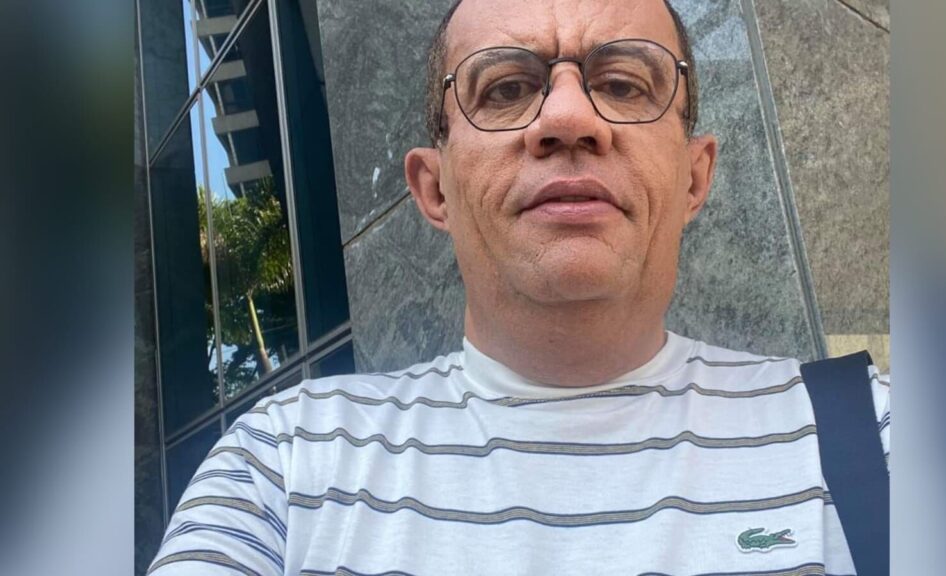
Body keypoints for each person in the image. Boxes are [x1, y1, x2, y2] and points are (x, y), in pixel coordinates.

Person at [148, 0, 890, 574]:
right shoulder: (283, 464)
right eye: (506, 88)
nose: (568, 118)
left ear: (695, 177)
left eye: (623, 84)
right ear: (433, 188)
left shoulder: (875, 433)